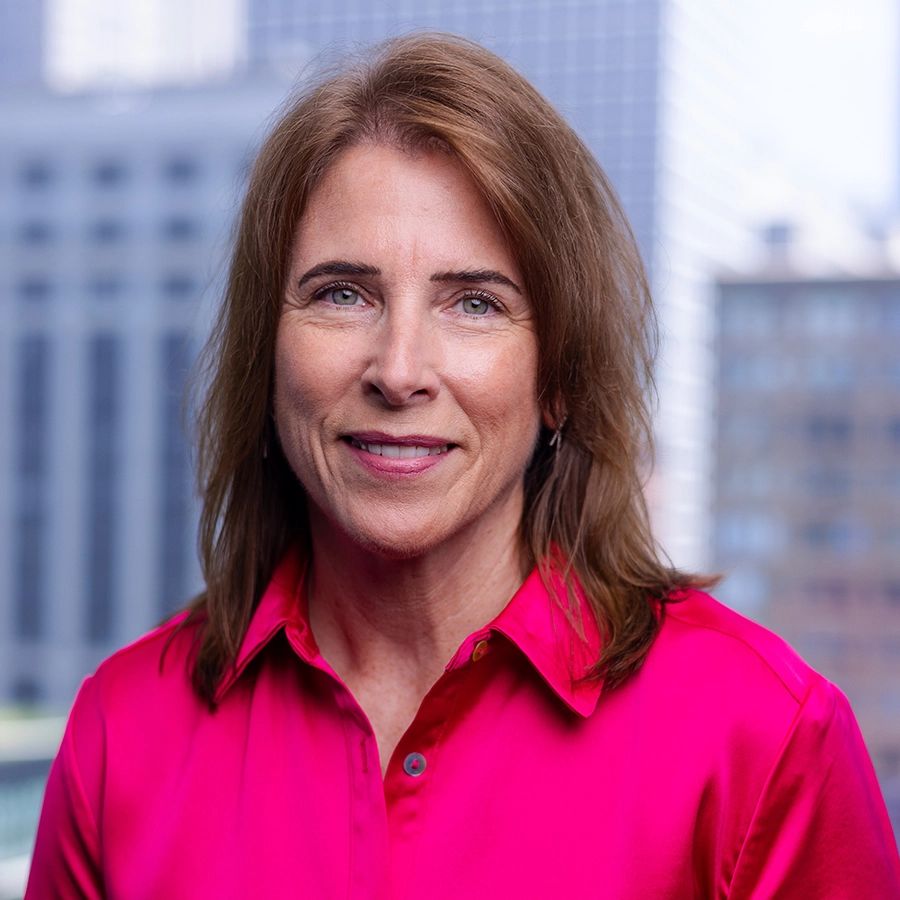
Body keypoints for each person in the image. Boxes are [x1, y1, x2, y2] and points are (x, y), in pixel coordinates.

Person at [27, 33, 900, 899]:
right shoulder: (122, 735)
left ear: (558, 377)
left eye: (475, 303)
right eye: (343, 293)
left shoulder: (764, 739)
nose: (400, 370)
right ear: (268, 355)